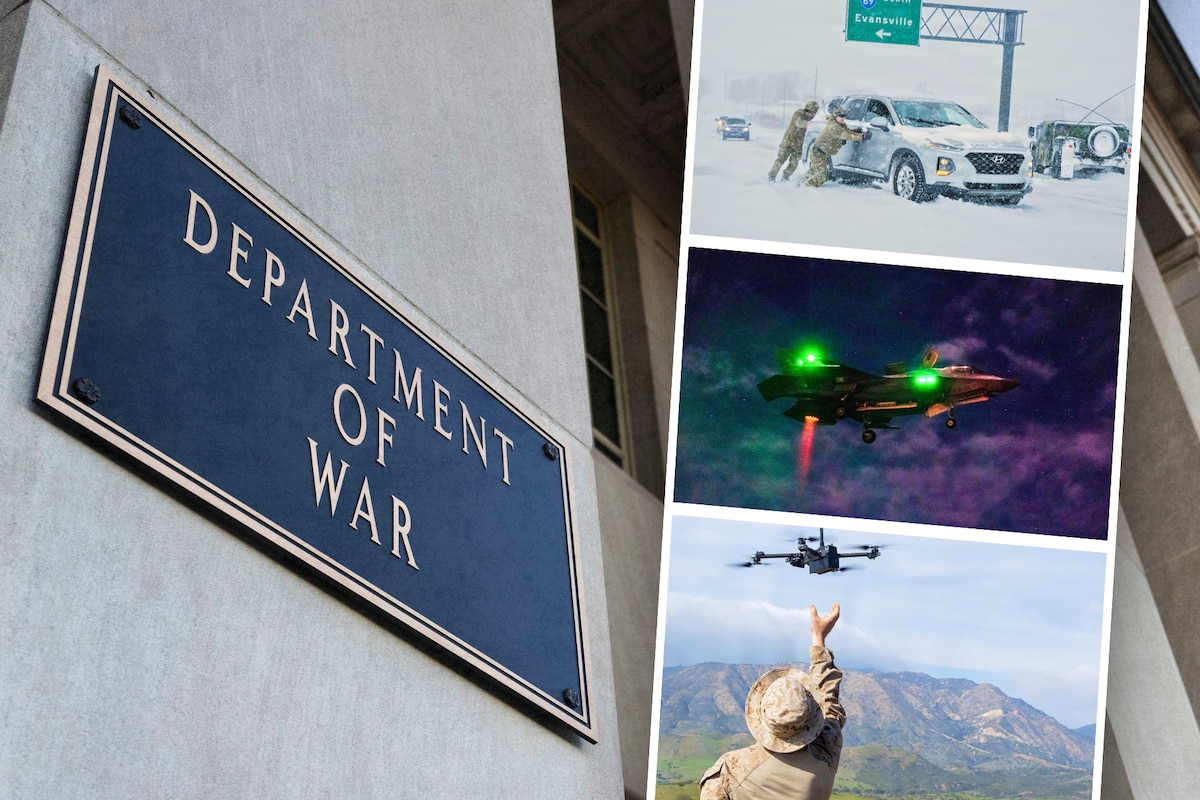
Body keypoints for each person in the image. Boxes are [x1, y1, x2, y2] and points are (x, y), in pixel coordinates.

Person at [698, 603, 845, 800]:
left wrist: (817, 637)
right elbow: (829, 703)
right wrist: (818, 639)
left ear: (761, 715)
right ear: (810, 718)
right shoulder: (826, 751)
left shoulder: (730, 772)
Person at [804, 107, 868, 188]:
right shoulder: (833, 126)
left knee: (813, 171)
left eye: (844, 116)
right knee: (822, 176)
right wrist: (862, 137)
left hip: (823, 153)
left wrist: (855, 131)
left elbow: (846, 131)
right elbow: (846, 135)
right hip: (818, 153)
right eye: (841, 116)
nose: (843, 118)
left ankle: (799, 184)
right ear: (835, 116)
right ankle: (806, 187)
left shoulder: (840, 124)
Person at [768, 101, 819, 182]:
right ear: (807, 110)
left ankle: (785, 177)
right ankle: (772, 176)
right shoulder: (798, 113)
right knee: (780, 160)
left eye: (814, 113)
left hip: (799, 145)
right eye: (811, 113)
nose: (811, 115)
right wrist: (811, 124)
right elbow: (799, 123)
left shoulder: (813, 118)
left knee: (794, 163)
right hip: (789, 141)